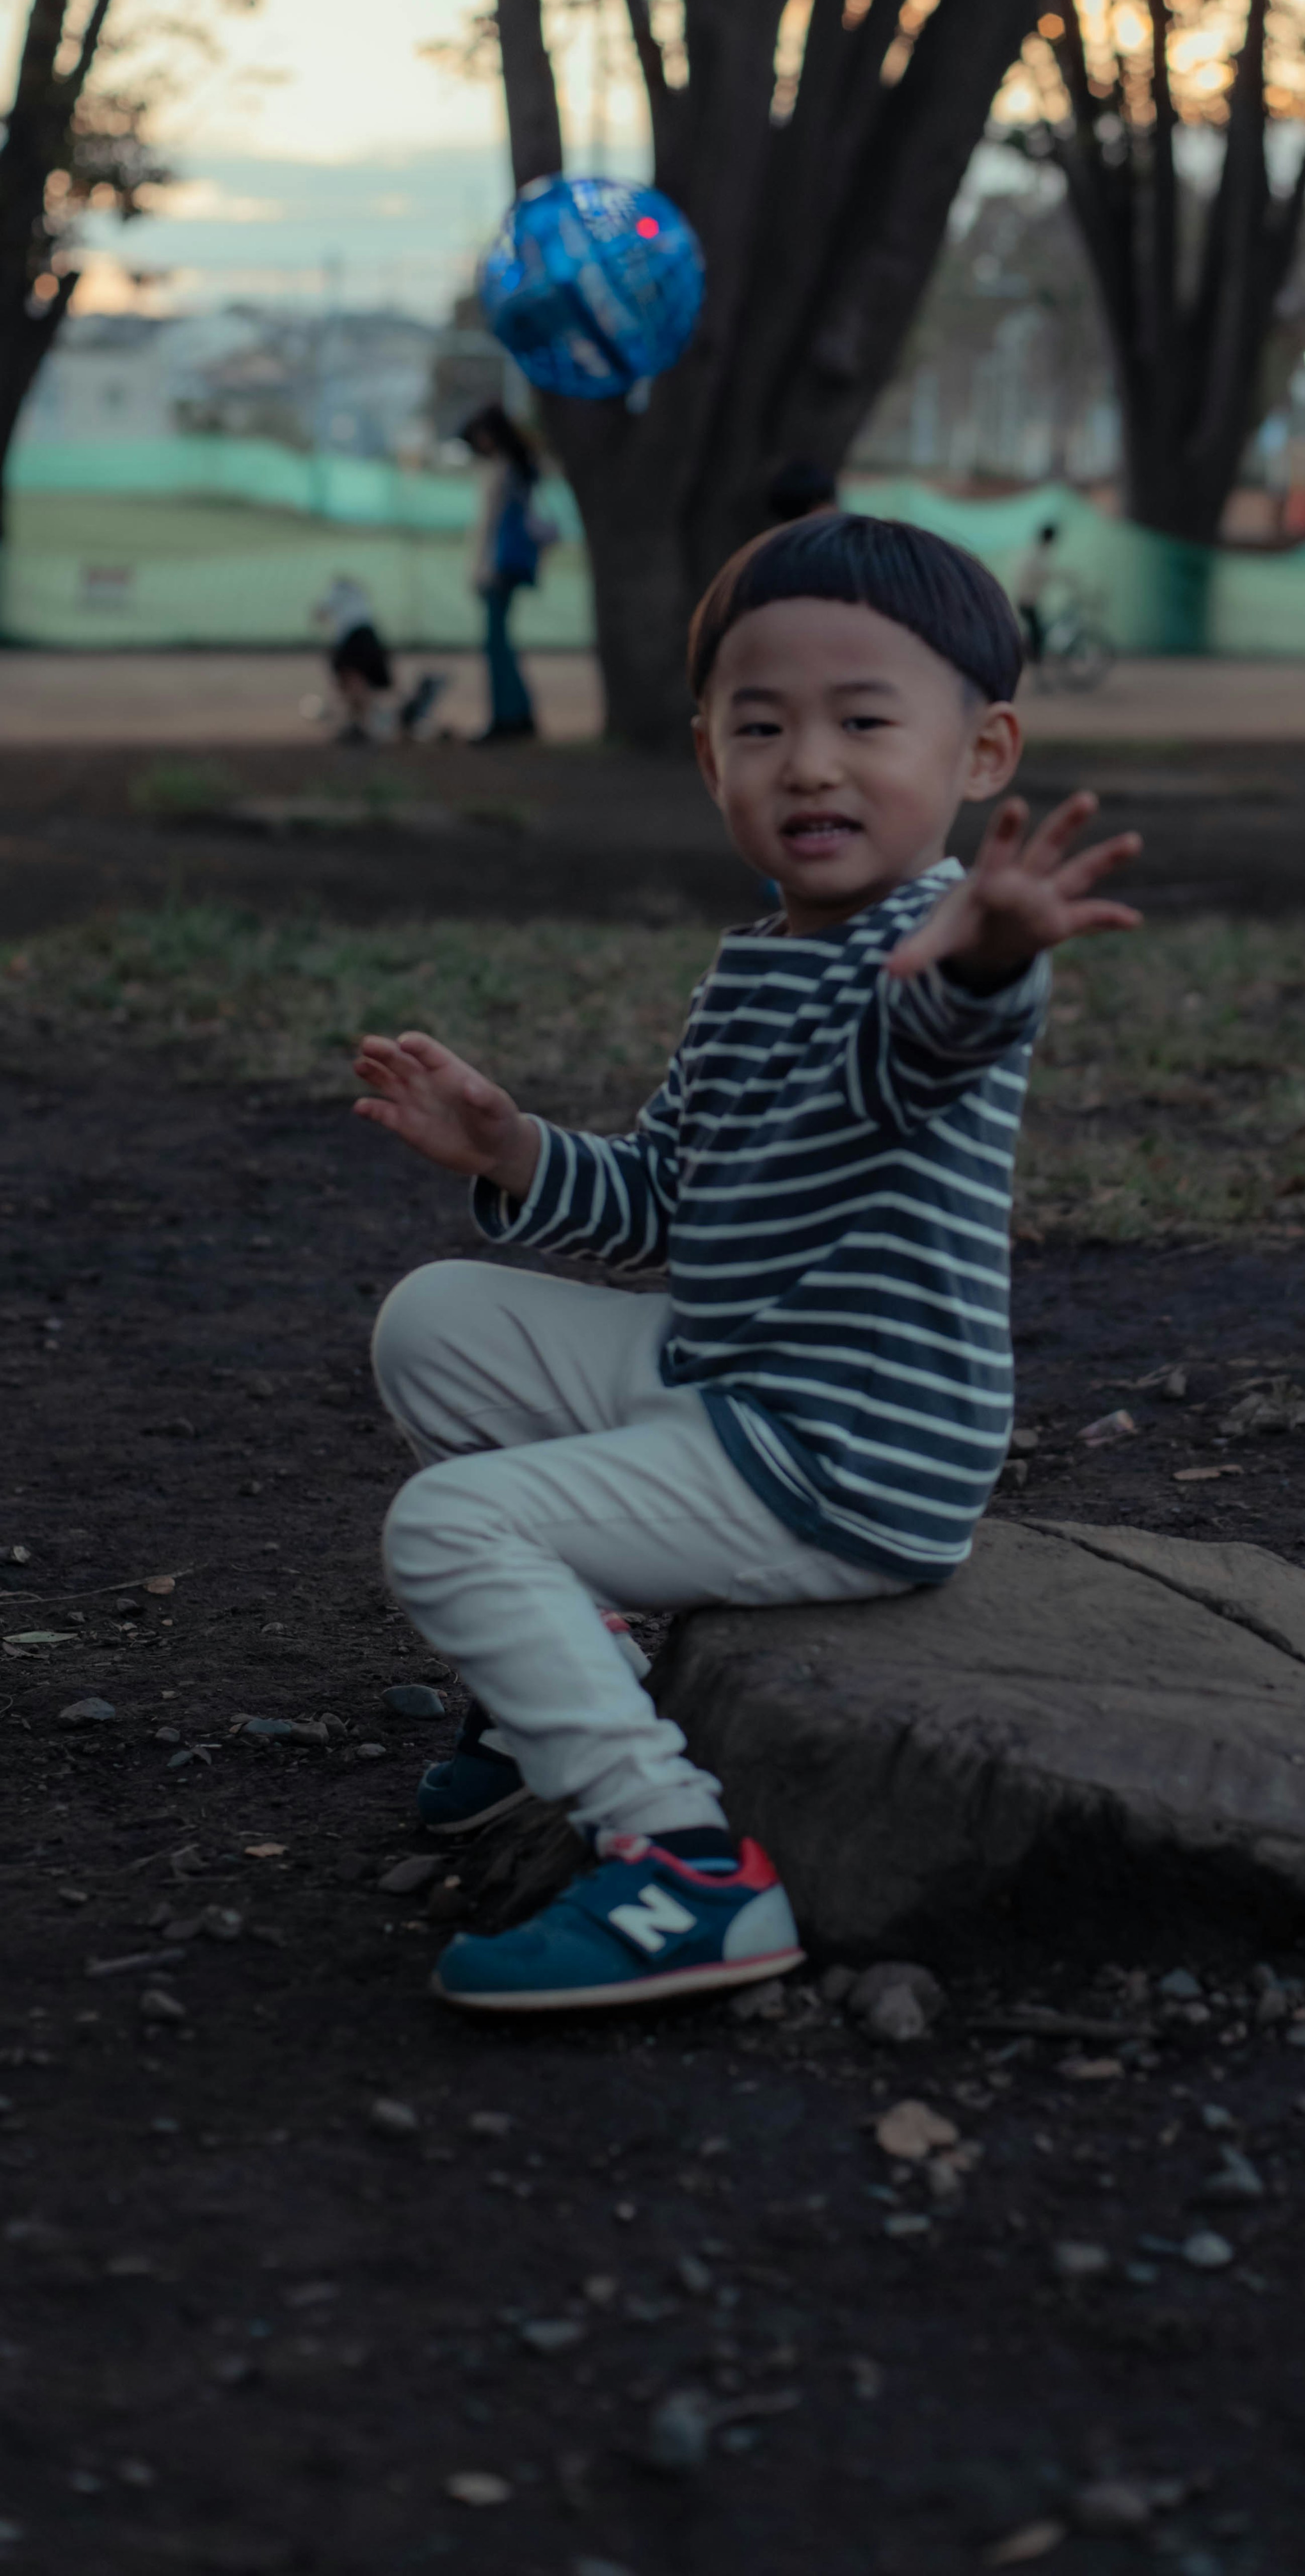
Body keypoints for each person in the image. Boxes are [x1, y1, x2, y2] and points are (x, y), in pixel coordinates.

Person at [351, 510, 1141, 2016]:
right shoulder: (758, 957)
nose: (812, 764)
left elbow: (926, 1047)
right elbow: (665, 1200)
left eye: (863, 721)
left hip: (841, 1452)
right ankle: (555, 1699)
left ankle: (682, 1863)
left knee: (448, 1528)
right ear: (709, 756)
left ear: (979, 755)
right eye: (761, 724)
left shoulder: (931, 937)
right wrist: (514, 1151)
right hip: (731, 1372)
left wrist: (994, 955)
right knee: (434, 1320)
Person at [460, 401, 550, 744]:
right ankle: (519, 713)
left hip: (498, 569)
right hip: (503, 567)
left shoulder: (506, 471)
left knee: (496, 645)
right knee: (501, 643)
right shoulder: (517, 469)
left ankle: (506, 717)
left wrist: (483, 570)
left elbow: (493, 527)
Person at [310, 576, 445, 745]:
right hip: (371, 636)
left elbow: (319, 613)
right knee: (374, 684)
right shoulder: (358, 594)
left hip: (354, 638)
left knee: (352, 681)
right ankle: (401, 715)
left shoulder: (336, 591)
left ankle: (361, 725)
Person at [1010, 515, 1060, 666]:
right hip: (1028, 600)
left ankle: (1032, 660)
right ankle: (1031, 661)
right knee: (1037, 637)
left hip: (1028, 599)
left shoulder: (1035, 552)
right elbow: (1043, 575)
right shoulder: (1037, 554)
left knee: (1035, 634)